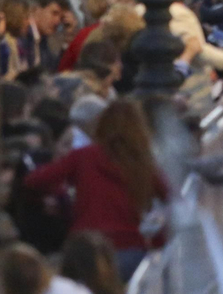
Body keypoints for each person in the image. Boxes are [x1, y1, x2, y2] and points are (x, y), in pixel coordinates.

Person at [24, 98, 168, 279]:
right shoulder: (143, 164)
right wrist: (158, 241)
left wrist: (58, 196)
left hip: (86, 250)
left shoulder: (83, 156)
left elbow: (35, 181)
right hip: (130, 248)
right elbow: (172, 199)